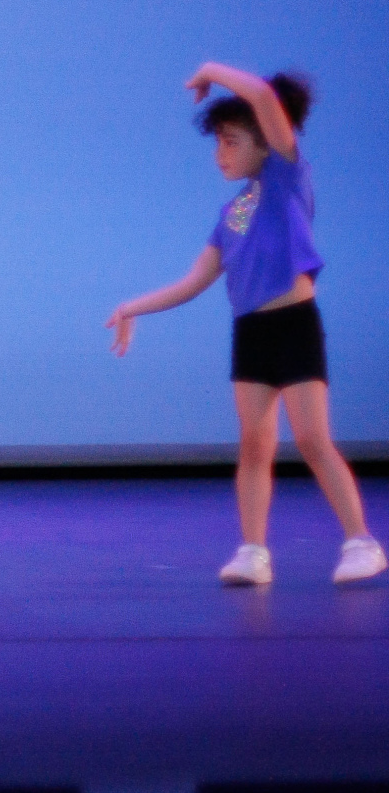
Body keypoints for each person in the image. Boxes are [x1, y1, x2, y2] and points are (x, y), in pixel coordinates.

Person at [107, 63, 383, 586]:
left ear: (265, 140)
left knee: (312, 439)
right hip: (251, 334)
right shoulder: (234, 212)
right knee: (255, 443)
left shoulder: (286, 176)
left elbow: (259, 94)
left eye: (231, 141)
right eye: (218, 143)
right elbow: (195, 280)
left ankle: (361, 542)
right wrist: (131, 307)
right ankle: (253, 552)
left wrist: (210, 70)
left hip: (294, 326)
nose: (221, 153)